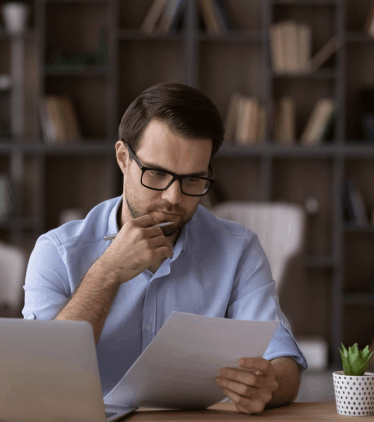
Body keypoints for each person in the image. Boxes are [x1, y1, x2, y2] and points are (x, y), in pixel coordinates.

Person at [22, 82, 308, 415]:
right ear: (123, 159)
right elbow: (38, 377)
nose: (174, 197)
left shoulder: (238, 250)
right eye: (157, 174)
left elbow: (283, 363)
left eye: (193, 180)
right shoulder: (57, 251)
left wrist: (267, 385)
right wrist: (108, 272)